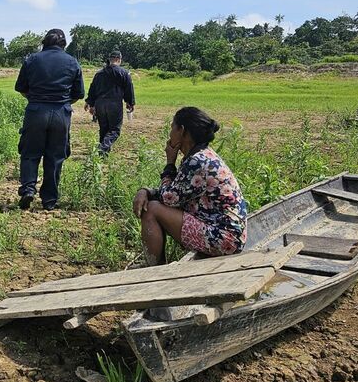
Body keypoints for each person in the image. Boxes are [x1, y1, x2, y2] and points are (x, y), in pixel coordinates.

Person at [132, 107, 247, 266]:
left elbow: (168, 199)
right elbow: (176, 193)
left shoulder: (197, 161)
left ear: (182, 131)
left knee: (151, 209)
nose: (170, 134)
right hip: (229, 235)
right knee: (155, 205)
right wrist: (146, 191)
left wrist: (169, 163)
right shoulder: (203, 154)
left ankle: (154, 269)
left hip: (224, 239)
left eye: (173, 127)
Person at [14, 28, 84, 210]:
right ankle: (49, 201)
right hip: (61, 113)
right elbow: (78, 94)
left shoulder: (32, 60)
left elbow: (21, 87)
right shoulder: (72, 62)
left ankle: (28, 189)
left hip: (36, 111)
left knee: (30, 153)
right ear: (63, 44)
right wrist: (61, 102)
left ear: (45, 41)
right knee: (55, 157)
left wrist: (36, 100)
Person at [85, 50, 135, 155]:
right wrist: (130, 102)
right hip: (114, 104)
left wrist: (90, 102)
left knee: (103, 129)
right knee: (115, 130)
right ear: (119, 59)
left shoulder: (99, 73)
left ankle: (103, 155)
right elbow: (129, 88)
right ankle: (102, 148)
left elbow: (93, 88)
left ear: (110, 59)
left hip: (100, 104)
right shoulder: (124, 73)